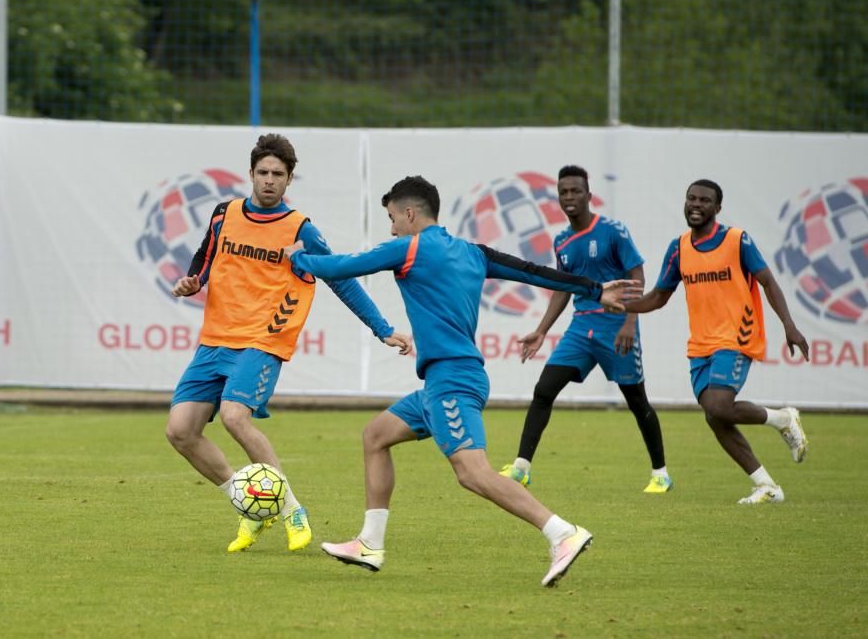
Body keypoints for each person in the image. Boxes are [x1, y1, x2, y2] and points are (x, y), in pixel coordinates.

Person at [284, 175, 642, 586]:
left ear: (410, 213)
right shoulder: (474, 252)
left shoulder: (410, 247)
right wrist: (595, 290)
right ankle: (370, 542)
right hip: (443, 381)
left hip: (452, 380)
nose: (391, 228)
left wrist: (297, 258)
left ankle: (562, 532)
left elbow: (343, 267)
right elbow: (536, 273)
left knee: (473, 473)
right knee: (376, 436)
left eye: (392, 218)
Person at [165, 133, 412, 554]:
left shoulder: (300, 229)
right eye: (262, 172)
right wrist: (191, 283)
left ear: (289, 179)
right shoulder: (224, 214)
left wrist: (382, 328)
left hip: (264, 339)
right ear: (250, 174)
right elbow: (204, 261)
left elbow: (341, 280)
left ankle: (292, 510)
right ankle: (249, 505)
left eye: (278, 174)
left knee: (234, 416)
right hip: (216, 340)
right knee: (180, 432)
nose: (268, 181)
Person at [623, 178, 810, 505]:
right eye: (691, 198)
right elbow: (658, 296)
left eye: (704, 200)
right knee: (715, 417)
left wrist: (789, 326)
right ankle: (767, 485)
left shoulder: (737, 240)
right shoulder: (679, 247)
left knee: (719, 406)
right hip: (701, 346)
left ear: (717, 208)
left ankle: (783, 419)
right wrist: (620, 305)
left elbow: (767, 281)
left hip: (738, 335)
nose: (696, 204)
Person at [500, 165, 671, 494]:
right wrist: (541, 330)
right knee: (544, 389)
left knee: (636, 400)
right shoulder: (562, 240)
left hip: (616, 326)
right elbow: (562, 289)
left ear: (589, 195)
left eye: (575, 191)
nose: (569, 197)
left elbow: (637, 276)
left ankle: (661, 473)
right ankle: (522, 468)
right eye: (563, 192)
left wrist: (630, 322)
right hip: (581, 329)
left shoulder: (613, 231)